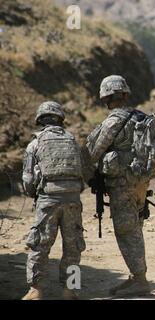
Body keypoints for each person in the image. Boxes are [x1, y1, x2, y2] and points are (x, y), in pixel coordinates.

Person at [82, 75, 151, 297]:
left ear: (105, 98)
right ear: (126, 94)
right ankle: (136, 277)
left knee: (126, 229)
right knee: (135, 226)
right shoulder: (142, 117)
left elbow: (92, 153)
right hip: (142, 182)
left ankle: (139, 280)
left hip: (122, 184)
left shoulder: (112, 122)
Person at [22, 101, 85, 300]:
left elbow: (28, 179)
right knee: (73, 246)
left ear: (40, 120)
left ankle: (36, 290)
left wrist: (35, 195)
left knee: (40, 245)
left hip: (48, 199)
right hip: (73, 199)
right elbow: (81, 170)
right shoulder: (72, 140)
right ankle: (70, 290)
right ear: (60, 119)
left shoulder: (35, 143)